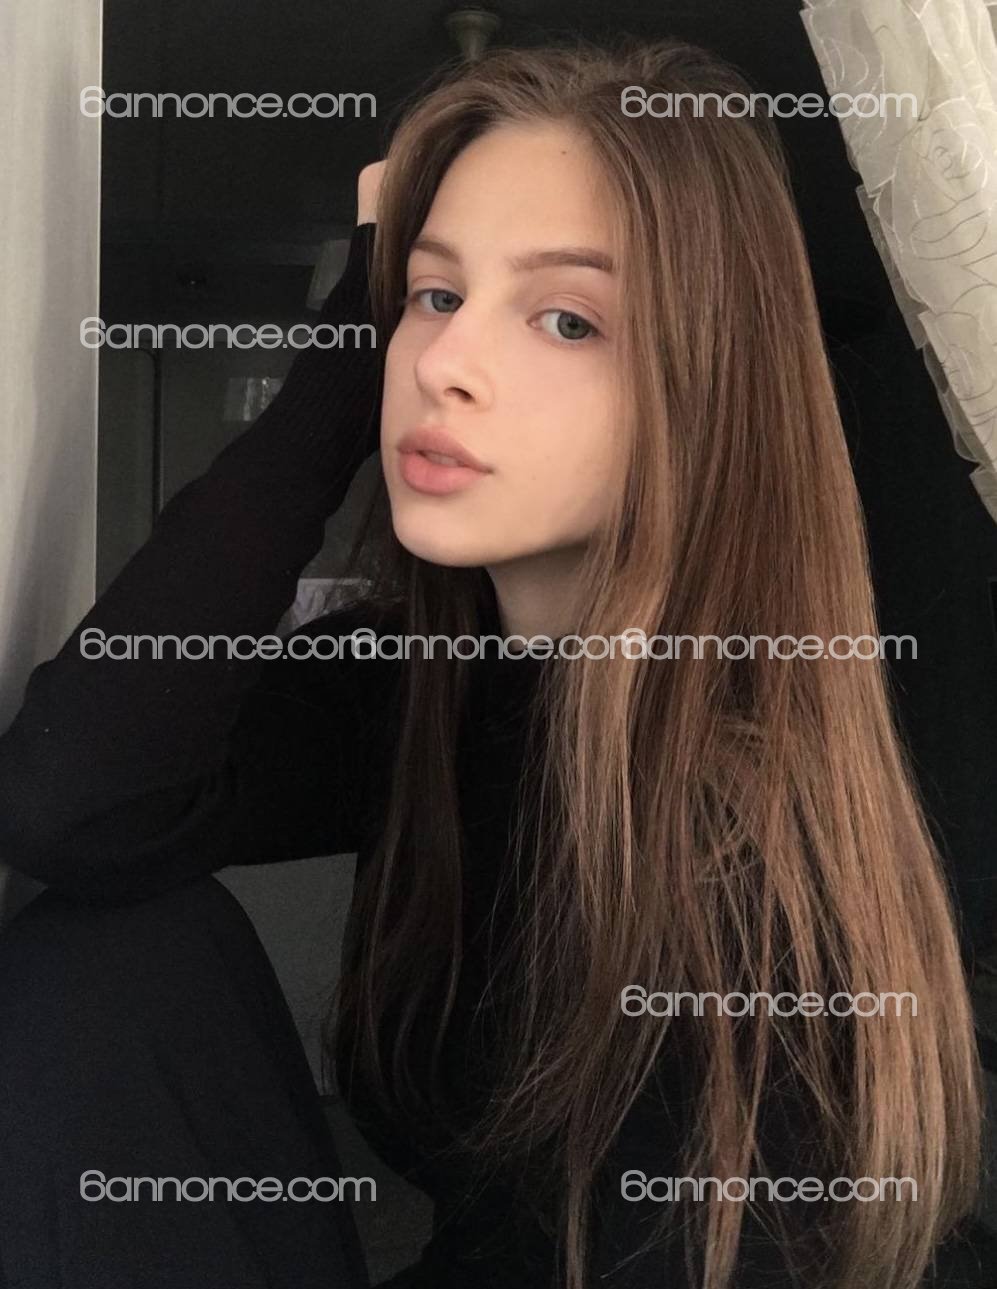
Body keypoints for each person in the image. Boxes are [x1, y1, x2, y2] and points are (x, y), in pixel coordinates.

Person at [0, 36, 988, 1289]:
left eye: (566, 318)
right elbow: (73, 801)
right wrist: (342, 365)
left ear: (705, 393)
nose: (446, 364)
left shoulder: (737, 865)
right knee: (107, 955)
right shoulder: (426, 679)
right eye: (434, 296)